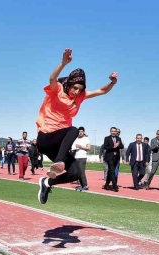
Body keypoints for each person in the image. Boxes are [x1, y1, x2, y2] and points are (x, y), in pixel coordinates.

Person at [35, 48, 118, 204]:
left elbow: (101, 91)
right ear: (69, 84)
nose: (76, 92)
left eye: (79, 89)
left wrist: (112, 83)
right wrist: (63, 63)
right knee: (74, 130)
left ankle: (47, 183)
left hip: (58, 144)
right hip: (45, 137)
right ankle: (58, 162)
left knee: (76, 172)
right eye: (74, 88)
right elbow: (52, 78)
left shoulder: (80, 96)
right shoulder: (57, 89)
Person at [102, 127, 124, 192]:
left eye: (114, 131)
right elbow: (105, 147)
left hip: (116, 157)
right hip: (109, 157)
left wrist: (118, 145)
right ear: (110, 131)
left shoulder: (118, 138)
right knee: (112, 171)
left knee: (110, 172)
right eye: (112, 131)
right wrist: (113, 147)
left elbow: (122, 146)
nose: (113, 132)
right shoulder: (107, 138)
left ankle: (106, 184)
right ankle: (115, 186)